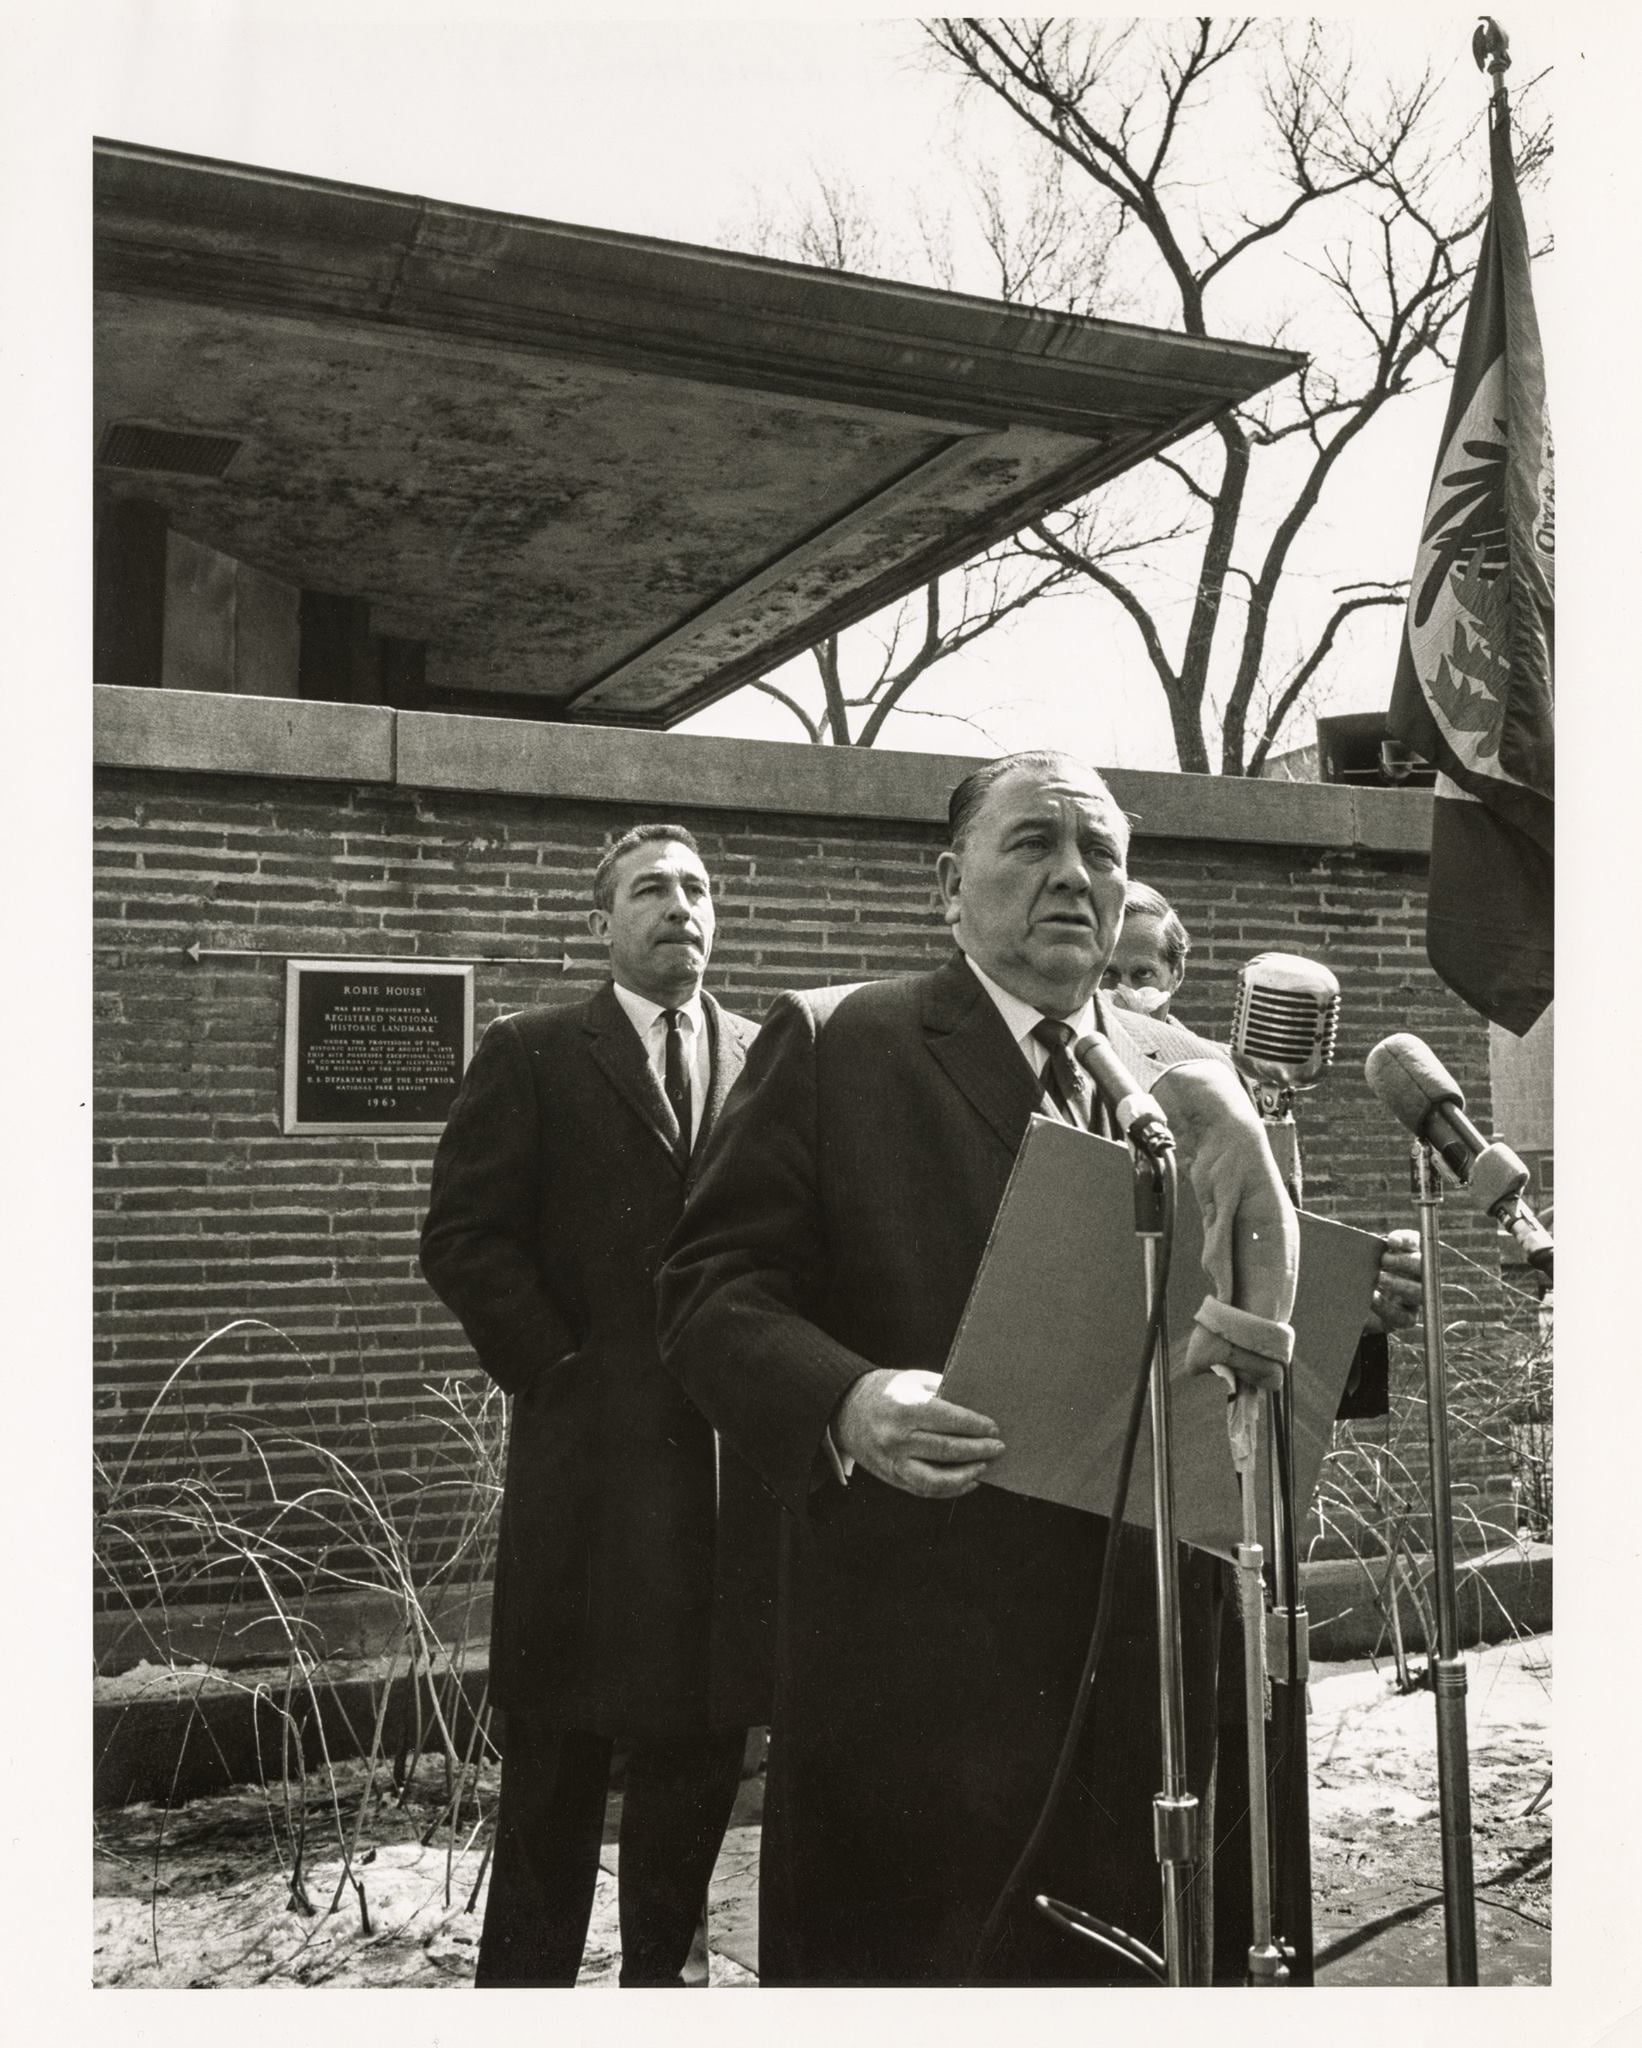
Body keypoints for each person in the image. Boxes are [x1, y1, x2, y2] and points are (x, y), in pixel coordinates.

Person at [657, 751, 1314, 1987]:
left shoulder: (1190, 1076)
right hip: (927, 1655)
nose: (1073, 875)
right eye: (1033, 844)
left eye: (1100, 851)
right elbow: (708, 1293)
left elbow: (1246, 1316)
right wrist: (848, 1397)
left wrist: (1342, 1311)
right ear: (947, 885)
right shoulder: (838, 1038)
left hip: (1155, 1652)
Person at [420, 823, 776, 1988]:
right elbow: (464, 1236)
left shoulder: (766, 1053)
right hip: (586, 1482)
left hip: (721, 1485)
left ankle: (658, 1990)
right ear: (601, 920)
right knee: (557, 1780)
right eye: (651, 888)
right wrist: (559, 1373)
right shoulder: (531, 1052)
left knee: (696, 1767)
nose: (681, 906)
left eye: (697, 887)